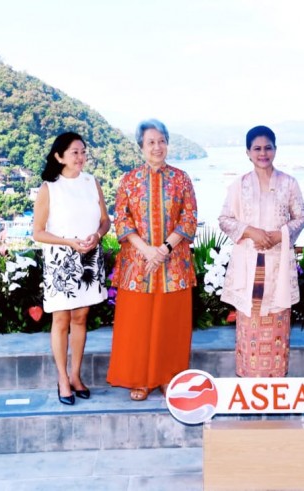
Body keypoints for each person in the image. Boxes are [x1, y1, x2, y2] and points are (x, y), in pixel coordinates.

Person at [107, 119, 197, 401]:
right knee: (138, 324)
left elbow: (190, 217)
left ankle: (168, 377)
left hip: (174, 264)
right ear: (141, 147)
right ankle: (141, 379)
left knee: (171, 323)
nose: (157, 147)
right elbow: (121, 219)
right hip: (138, 265)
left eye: (161, 141)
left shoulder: (181, 178)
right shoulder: (129, 180)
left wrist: (164, 249)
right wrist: (147, 251)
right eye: (151, 142)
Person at [219, 126, 304, 377]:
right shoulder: (239, 185)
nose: (263, 153)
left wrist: (280, 235)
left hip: (277, 266)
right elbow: (225, 219)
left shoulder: (289, 183)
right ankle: (248, 380)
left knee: (277, 320)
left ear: (275, 150)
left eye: (268, 147)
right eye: (257, 148)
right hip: (249, 267)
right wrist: (251, 231)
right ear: (248, 152)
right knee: (249, 323)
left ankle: (276, 381)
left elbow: (301, 217)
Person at [33, 132, 110, 405]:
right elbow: (38, 233)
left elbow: (105, 221)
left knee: (81, 318)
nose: (81, 157)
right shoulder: (49, 188)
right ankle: (62, 379)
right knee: (61, 320)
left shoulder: (92, 183)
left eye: (83, 151)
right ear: (59, 156)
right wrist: (67, 242)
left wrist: (97, 236)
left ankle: (76, 376)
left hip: (88, 259)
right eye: (74, 152)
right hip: (60, 263)